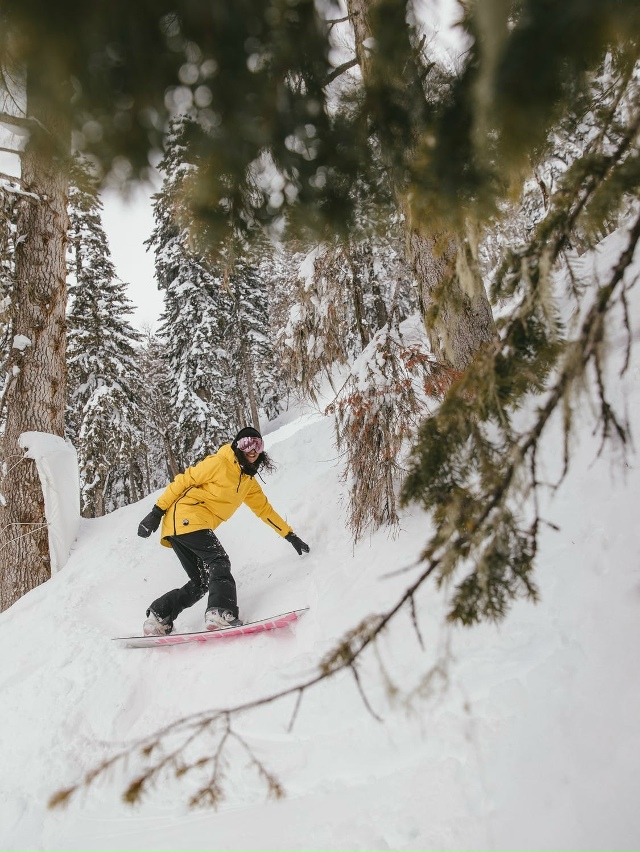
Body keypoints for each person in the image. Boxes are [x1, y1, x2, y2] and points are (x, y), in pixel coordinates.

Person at [137, 426, 310, 636]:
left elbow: (265, 510)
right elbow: (183, 481)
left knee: (201, 582)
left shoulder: (248, 483)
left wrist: (289, 535)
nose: (253, 450)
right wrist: (156, 512)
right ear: (238, 446)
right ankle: (220, 611)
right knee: (219, 561)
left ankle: (159, 615)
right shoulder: (219, 463)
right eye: (247, 444)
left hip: (183, 525)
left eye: (258, 445)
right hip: (187, 516)